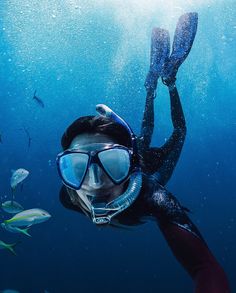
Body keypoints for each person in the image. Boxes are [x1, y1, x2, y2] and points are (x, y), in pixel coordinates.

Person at [57, 13, 230, 292]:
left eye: (111, 162)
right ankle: (156, 87)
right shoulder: (68, 195)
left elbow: (205, 267)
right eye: (76, 167)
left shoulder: (153, 198)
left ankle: (165, 84)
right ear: (65, 171)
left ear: (128, 160)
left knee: (176, 133)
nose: (96, 181)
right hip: (133, 157)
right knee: (147, 132)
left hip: (148, 169)